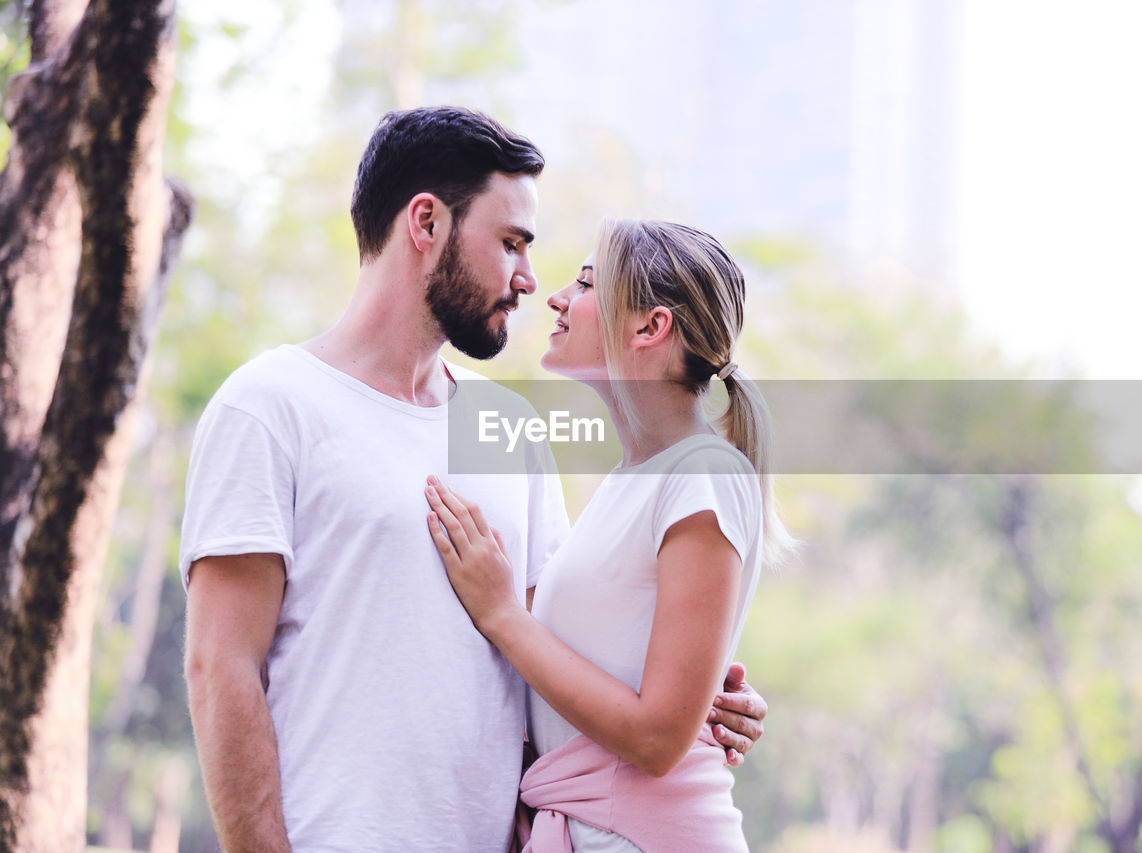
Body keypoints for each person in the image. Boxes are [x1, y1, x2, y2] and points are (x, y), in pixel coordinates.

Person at [180, 107, 766, 853]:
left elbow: (551, 653)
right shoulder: (268, 406)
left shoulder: (509, 427)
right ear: (426, 222)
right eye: (511, 243)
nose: (530, 279)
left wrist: (702, 701)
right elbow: (219, 667)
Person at [426, 218, 788, 851]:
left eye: (587, 283)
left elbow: (656, 740)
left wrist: (503, 614)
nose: (558, 297)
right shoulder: (635, 478)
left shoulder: (702, 473)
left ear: (651, 327)